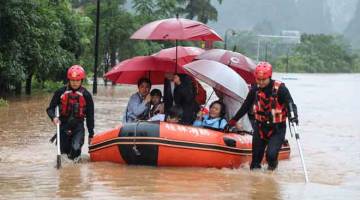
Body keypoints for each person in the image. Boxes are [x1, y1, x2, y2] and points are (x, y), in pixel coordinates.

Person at [228, 62, 298, 171]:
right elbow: (245, 106)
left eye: (263, 80)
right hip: (260, 128)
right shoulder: (254, 90)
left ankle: (272, 172)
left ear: (269, 77)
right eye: (258, 79)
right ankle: (257, 184)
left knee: (271, 155)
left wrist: (294, 117)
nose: (260, 82)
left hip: (277, 129)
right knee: (255, 162)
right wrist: (233, 120)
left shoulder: (281, 89)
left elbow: (290, 104)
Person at [46, 65, 94, 160]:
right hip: (63, 126)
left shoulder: (86, 95)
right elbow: (50, 109)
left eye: (77, 80)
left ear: (81, 80)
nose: (75, 83)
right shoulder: (60, 92)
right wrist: (54, 118)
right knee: (64, 154)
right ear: (69, 80)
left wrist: (91, 134)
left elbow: (90, 116)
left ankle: (75, 172)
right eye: (72, 80)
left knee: (75, 149)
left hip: (78, 127)